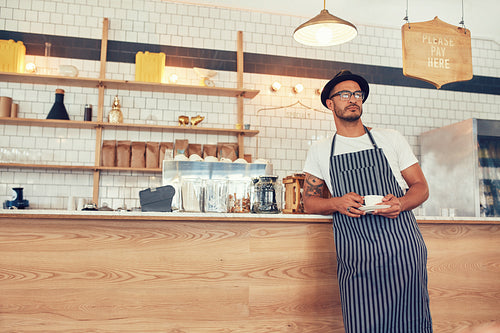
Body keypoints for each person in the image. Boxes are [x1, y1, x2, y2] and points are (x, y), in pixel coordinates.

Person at [303, 70, 433, 333]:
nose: (353, 99)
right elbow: (309, 201)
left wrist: (401, 203)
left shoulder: (390, 138)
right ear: (330, 103)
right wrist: (336, 203)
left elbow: (421, 188)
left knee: (411, 322)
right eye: (345, 94)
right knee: (364, 324)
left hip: (401, 248)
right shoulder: (321, 149)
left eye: (357, 94)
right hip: (357, 255)